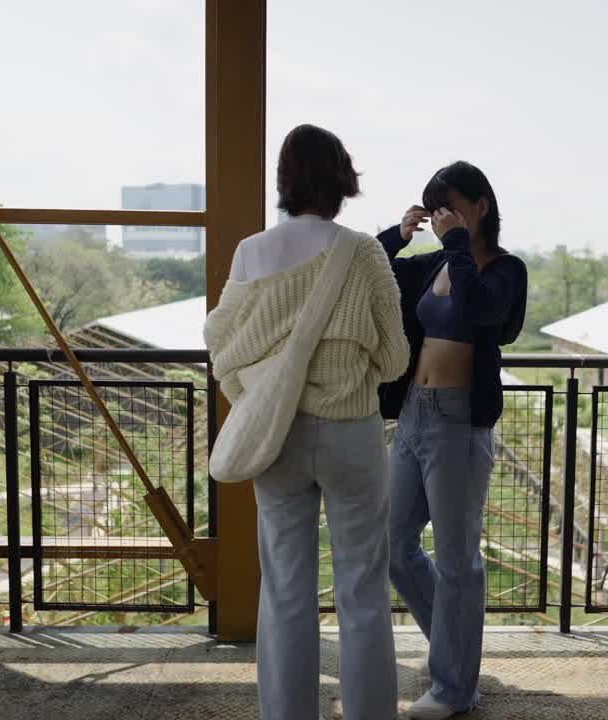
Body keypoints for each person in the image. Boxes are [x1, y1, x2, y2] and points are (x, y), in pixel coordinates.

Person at [204, 124, 410, 720]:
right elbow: (395, 356)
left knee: (287, 592)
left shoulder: (252, 251)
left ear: (285, 178)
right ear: (342, 178)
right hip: (350, 434)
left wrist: (255, 391)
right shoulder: (364, 252)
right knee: (363, 592)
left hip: (278, 436)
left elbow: (222, 342)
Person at [376, 161, 528, 719]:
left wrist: (459, 244)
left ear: (480, 205)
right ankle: (456, 651)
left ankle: (454, 687)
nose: (442, 215)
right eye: (434, 206)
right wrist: (400, 233)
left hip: (461, 424)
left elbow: (483, 308)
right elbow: (372, 270)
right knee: (393, 546)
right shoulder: (435, 260)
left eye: (450, 205)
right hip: (414, 414)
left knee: (458, 559)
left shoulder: (504, 270)